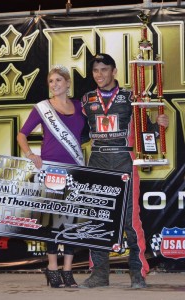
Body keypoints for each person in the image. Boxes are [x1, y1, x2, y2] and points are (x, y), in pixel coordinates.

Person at [79, 53, 169, 289]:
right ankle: (99, 274)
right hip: (97, 160)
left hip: (124, 160)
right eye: (96, 70)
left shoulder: (131, 98)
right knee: (97, 218)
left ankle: (138, 274)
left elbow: (147, 131)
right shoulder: (86, 99)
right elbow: (78, 133)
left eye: (104, 69)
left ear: (114, 71)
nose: (99, 74)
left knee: (130, 221)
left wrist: (159, 127)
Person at [17, 65, 86, 288]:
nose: (54, 85)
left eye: (58, 80)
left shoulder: (79, 107)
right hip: (52, 171)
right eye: (51, 81)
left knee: (72, 221)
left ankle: (68, 270)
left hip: (75, 169)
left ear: (68, 84)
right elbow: (21, 134)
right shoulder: (42, 108)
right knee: (53, 221)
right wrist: (30, 154)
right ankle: (53, 268)